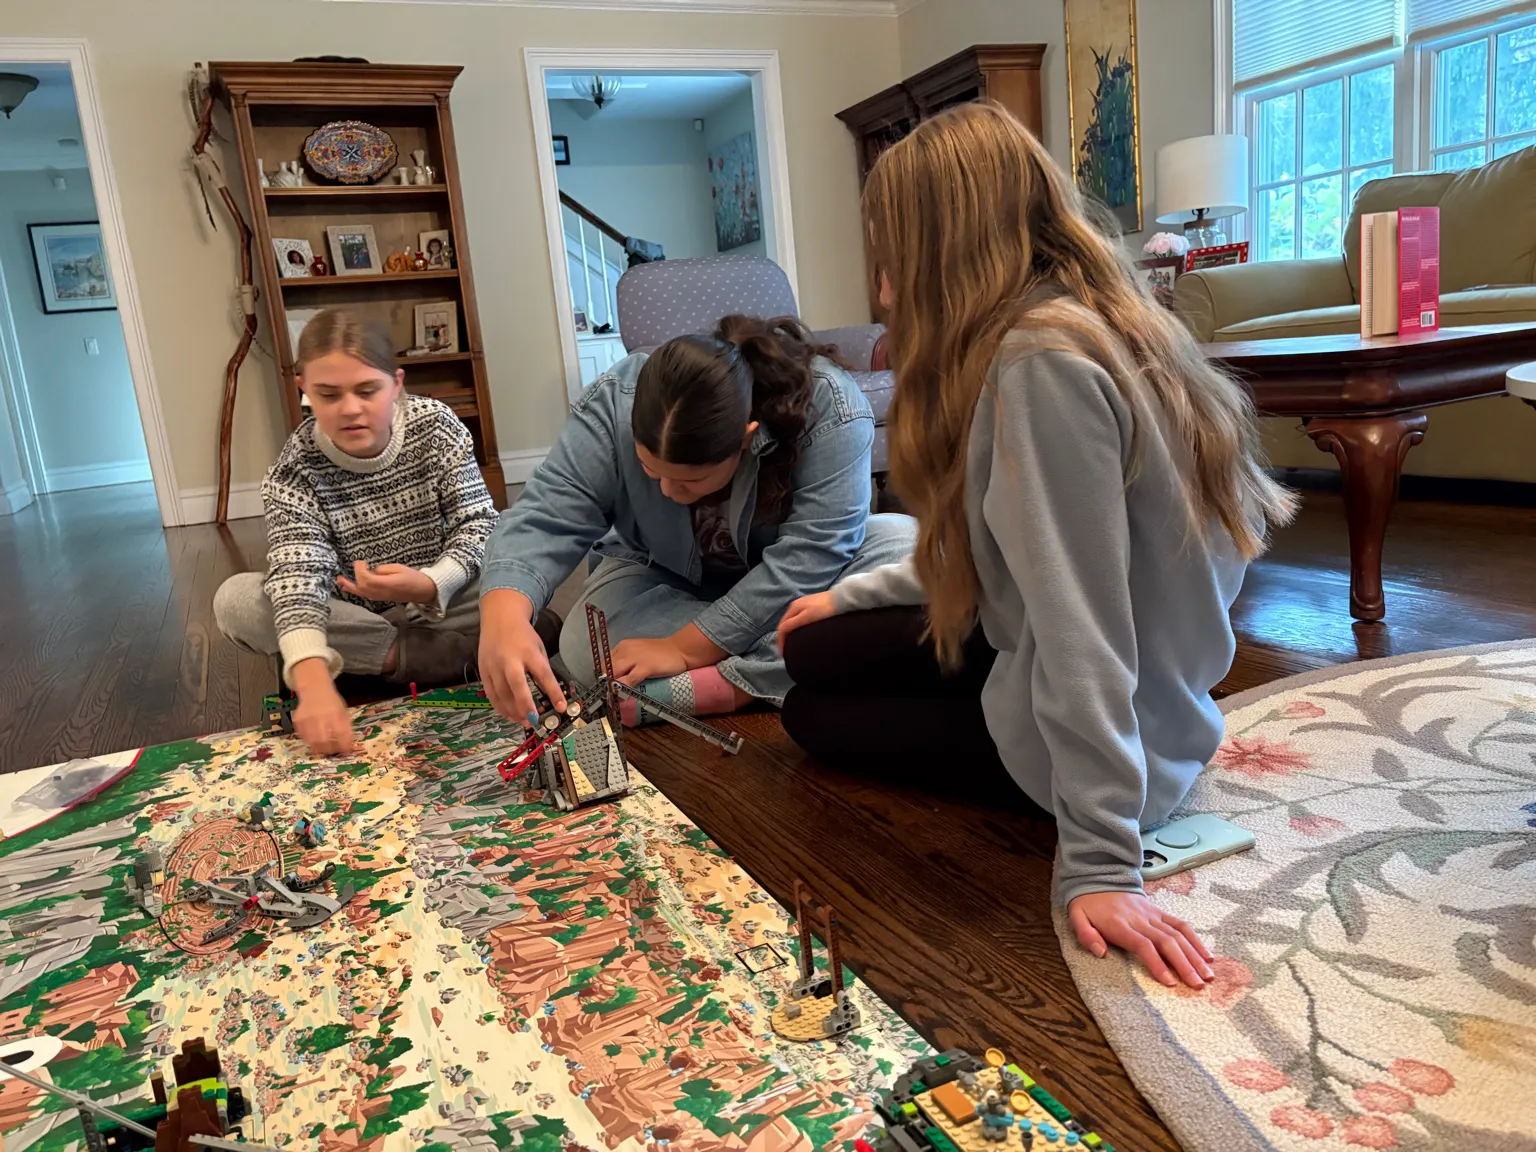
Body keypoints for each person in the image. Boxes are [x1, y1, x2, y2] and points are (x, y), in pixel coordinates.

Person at [775, 103, 1296, 991]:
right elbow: (1013, 563)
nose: (885, 289)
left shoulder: (1037, 366)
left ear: (941, 250)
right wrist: (847, 595)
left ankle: (1099, 816)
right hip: (1163, 701)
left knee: (810, 711)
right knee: (816, 641)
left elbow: (1079, 630)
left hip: (1123, 737)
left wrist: (1100, 863)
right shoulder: (1105, 320)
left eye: (891, 258)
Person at [477, 314, 914, 730]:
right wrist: (504, 617)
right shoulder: (615, 402)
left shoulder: (830, 404)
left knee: (905, 544)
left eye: (692, 481)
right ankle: (798, 664)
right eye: (651, 471)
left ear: (745, 438)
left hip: (794, 586)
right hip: (662, 577)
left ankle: (730, 685)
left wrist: (684, 649)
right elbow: (547, 514)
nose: (668, 491)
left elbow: (814, 553)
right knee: (583, 642)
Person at [213, 309, 514, 756]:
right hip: (356, 617)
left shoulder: (436, 426)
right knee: (236, 601)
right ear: (304, 390)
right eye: (328, 394)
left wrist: (431, 582)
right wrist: (312, 684)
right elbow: (297, 578)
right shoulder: (294, 472)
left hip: (440, 601)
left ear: (397, 384)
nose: (350, 409)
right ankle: (435, 657)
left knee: (516, 563)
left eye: (367, 390)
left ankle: (391, 658)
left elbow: (479, 523)